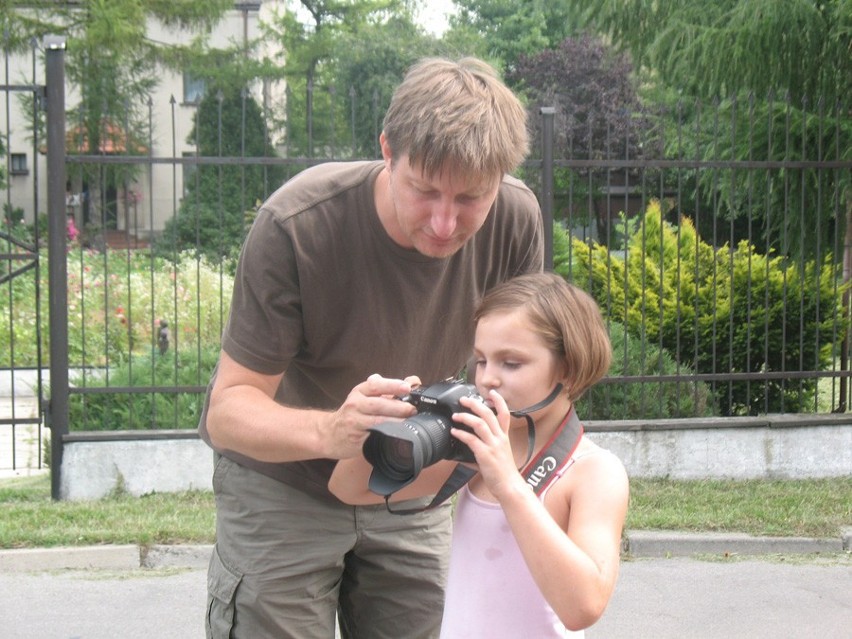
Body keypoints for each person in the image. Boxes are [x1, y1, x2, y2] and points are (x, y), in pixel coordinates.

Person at [198, 56, 544, 639]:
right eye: (425, 190)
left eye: (469, 200)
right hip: (286, 484)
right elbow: (228, 411)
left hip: (410, 470)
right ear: (387, 149)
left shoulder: (514, 217)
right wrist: (332, 433)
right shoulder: (298, 224)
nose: (443, 223)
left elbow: (524, 370)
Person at [329, 272, 629, 638]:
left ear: (567, 367)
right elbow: (348, 488)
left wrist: (507, 482)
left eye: (511, 363)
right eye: (482, 360)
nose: (488, 379)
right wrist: (387, 420)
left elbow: (582, 607)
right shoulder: (473, 445)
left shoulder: (594, 472)